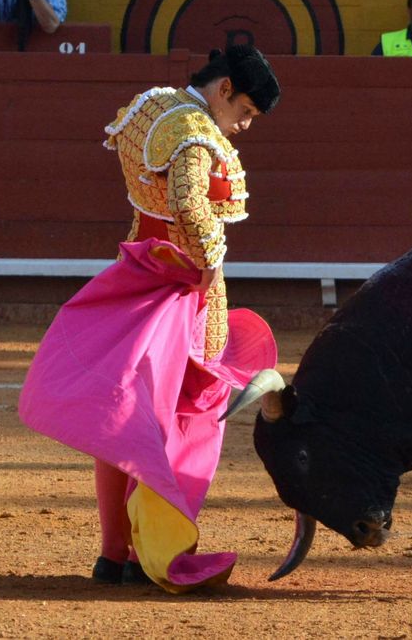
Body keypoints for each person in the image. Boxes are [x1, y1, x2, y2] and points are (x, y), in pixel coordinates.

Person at [17, 45, 280, 594]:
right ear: (225, 88)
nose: (243, 126)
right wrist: (209, 259)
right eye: (246, 112)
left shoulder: (150, 104)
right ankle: (150, 551)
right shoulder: (194, 130)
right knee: (178, 419)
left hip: (137, 270)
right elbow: (187, 197)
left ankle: (114, 553)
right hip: (179, 291)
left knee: (124, 417)